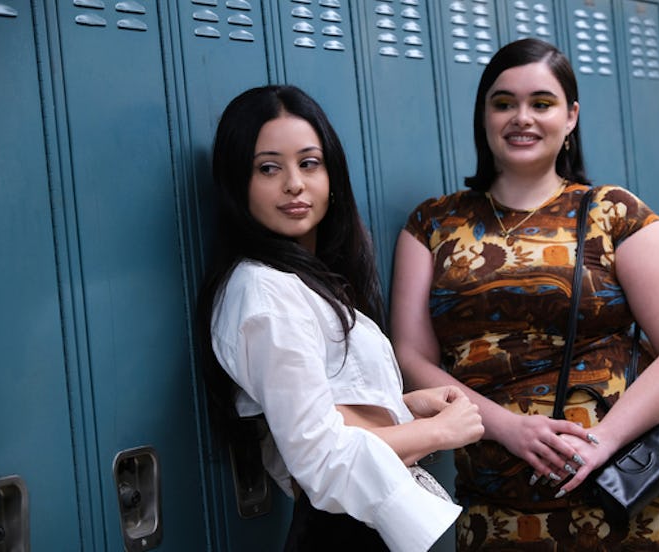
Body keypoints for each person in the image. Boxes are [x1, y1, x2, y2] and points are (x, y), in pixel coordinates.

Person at [391, 38, 659, 549]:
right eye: (504, 103)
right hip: (503, 496)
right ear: (484, 115)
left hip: (638, 484)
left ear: (570, 117)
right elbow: (412, 356)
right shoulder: (432, 225)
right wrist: (505, 427)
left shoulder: (615, 212)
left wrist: (601, 443)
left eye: (540, 103)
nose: (521, 117)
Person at [196, 84, 485, 551]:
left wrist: (404, 407)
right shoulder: (264, 291)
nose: (294, 183)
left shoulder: (305, 282)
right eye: (268, 168)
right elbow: (318, 457)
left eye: (309, 163)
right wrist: (438, 432)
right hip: (336, 536)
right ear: (237, 182)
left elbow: (323, 411)